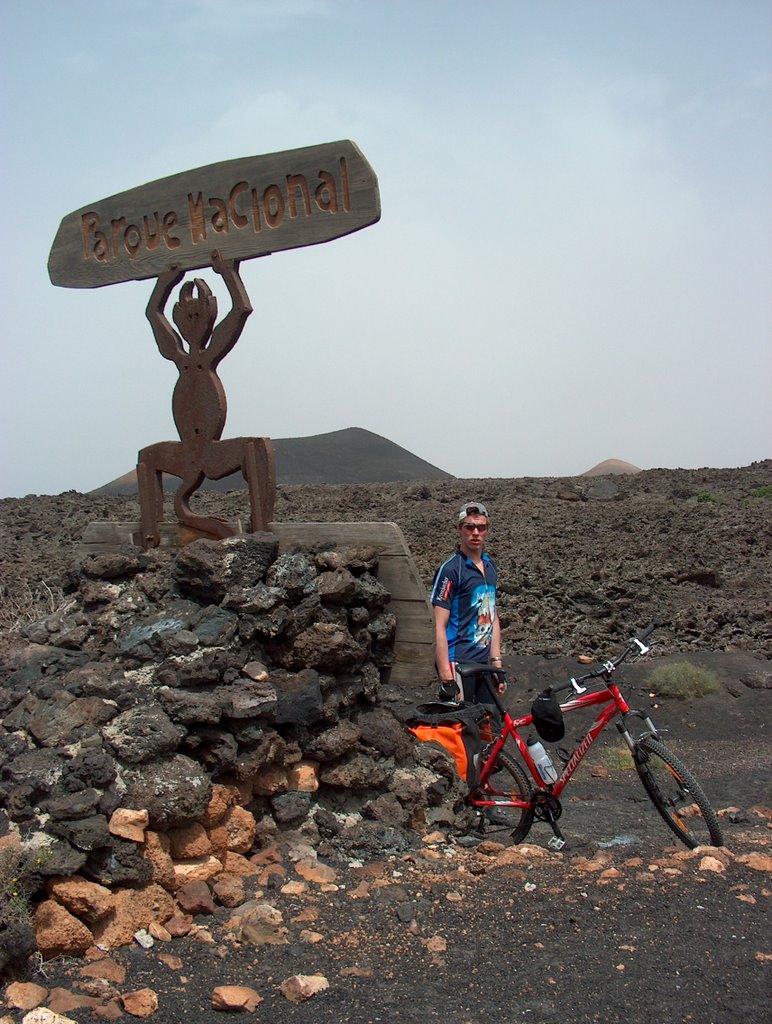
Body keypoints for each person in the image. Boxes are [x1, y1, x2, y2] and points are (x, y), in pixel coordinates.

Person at [430, 500, 506, 704]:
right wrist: (446, 673)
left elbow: (492, 615)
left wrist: (496, 663)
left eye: (481, 527)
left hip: (484, 662)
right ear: (459, 529)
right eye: (469, 527)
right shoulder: (452, 569)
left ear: (487, 530)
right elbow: (438, 624)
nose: (475, 532)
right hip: (459, 662)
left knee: (489, 728)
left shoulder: (490, 567)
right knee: (462, 727)